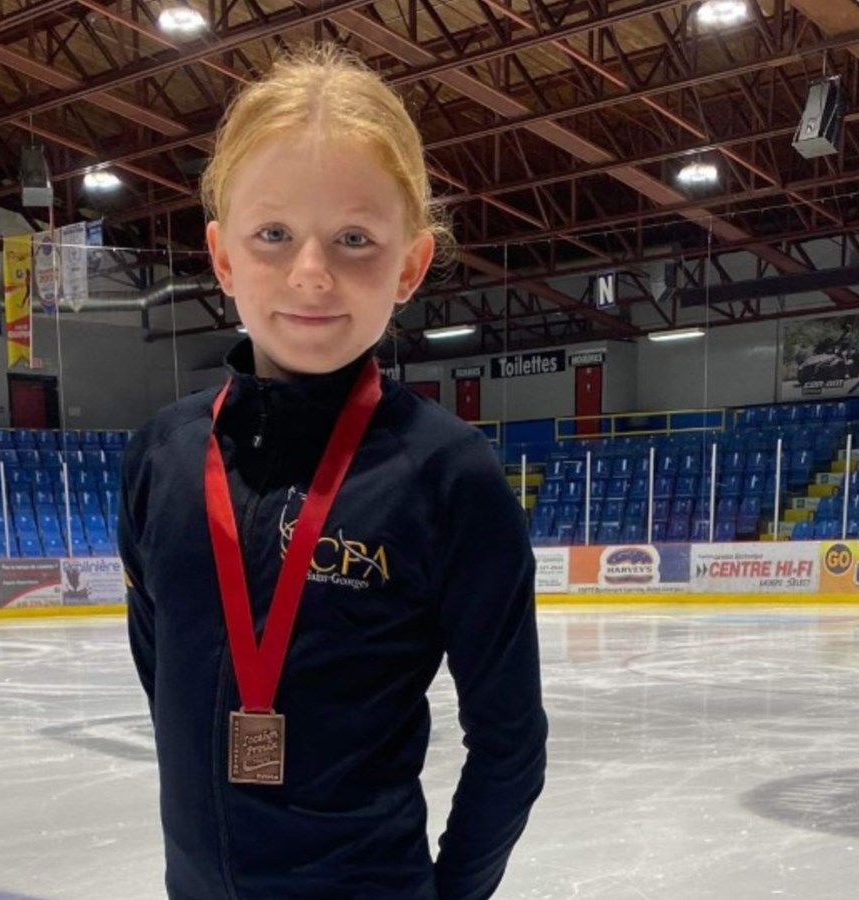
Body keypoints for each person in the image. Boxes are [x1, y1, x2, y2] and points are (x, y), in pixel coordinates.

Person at [119, 44, 547, 900]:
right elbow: (164, 676)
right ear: (224, 257)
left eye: (355, 239)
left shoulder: (447, 477)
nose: (311, 273)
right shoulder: (163, 456)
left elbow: (510, 746)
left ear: (410, 265)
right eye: (273, 235)